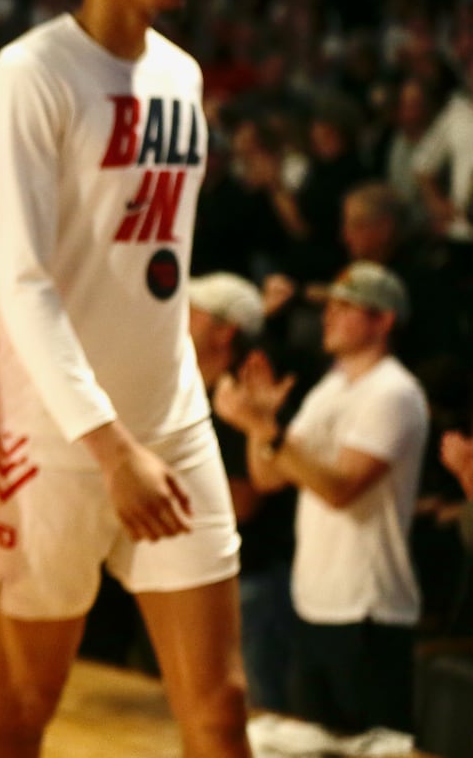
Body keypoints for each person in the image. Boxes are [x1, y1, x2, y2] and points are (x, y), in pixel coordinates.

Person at [0, 0, 250, 758]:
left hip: (169, 422)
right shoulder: (28, 75)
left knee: (220, 708)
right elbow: (20, 279)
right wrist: (106, 442)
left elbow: (152, 267)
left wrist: (166, 408)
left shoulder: (184, 76)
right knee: (24, 702)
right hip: (55, 439)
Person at [215, 262, 428, 735]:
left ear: (384, 320)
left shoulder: (394, 393)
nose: (328, 316)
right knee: (312, 743)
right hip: (315, 598)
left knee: (372, 745)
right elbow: (268, 475)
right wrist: (261, 427)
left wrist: (262, 428)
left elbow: (338, 488)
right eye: (328, 306)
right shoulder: (331, 388)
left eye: (345, 307)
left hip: (367, 608)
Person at [188, 273, 296, 714]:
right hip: (202, 573)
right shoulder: (192, 389)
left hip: (246, 581)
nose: (180, 321)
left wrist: (159, 495)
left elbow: (244, 502)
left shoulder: (241, 394)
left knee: (250, 711)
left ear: (224, 330)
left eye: (192, 314)